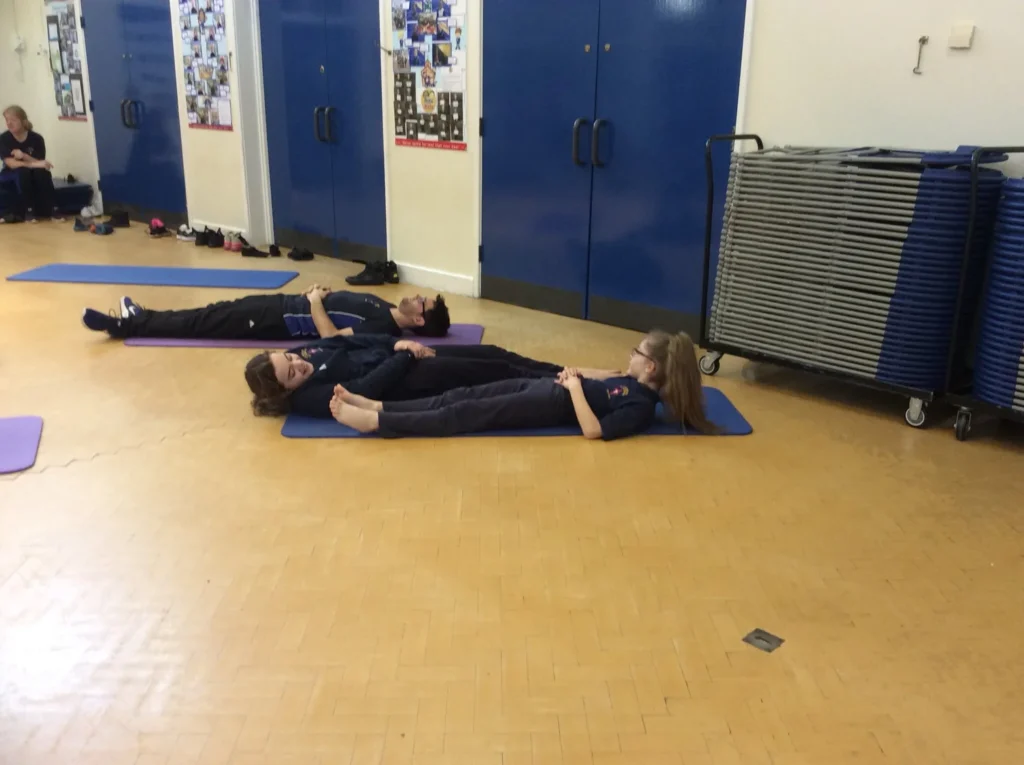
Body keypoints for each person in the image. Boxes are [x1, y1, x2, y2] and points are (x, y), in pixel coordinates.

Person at [329, 331, 716, 441]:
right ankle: (379, 406)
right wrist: (573, 373)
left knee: (464, 413)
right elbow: (603, 379)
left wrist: (574, 388)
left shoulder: (642, 407)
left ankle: (379, 424)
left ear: (650, 366)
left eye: (636, 352)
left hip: (549, 403)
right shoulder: (630, 381)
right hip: (546, 386)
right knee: (459, 395)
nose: (630, 356)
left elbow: (594, 430)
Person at [244, 334, 597, 419]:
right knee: (497, 371)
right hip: (408, 380)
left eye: (290, 357)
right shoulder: (308, 399)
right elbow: (366, 389)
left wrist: (397, 342)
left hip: (405, 356)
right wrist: (404, 355)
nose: (298, 363)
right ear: (285, 390)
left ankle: (563, 371)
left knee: (493, 352)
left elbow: (350, 340)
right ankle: (573, 386)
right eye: (291, 373)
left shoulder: (305, 353)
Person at [81, 285, 451, 340]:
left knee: (203, 323)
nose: (417, 296)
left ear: (419, 320)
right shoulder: (385, 306)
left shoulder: (384, 328)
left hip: (278, 321)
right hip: (280, 303)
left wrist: (315, 302)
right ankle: (141, 317)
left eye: (423, 303)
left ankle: (126, 325)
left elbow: (332, 338)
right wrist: (322, 293)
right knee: (211, 312)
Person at [1, 106, 56, 223]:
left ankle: (51, 210)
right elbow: (11, 163)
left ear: (23, 121)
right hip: (10, 173)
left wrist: (24, 156)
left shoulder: (37, 138)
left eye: (13, 120)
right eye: (7, 120)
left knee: (42, 173)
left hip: (32, 170)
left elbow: (40, 161)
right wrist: (33, 165)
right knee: (23, 172)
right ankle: (28, 211)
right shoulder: (4, 139)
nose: (9, 123)